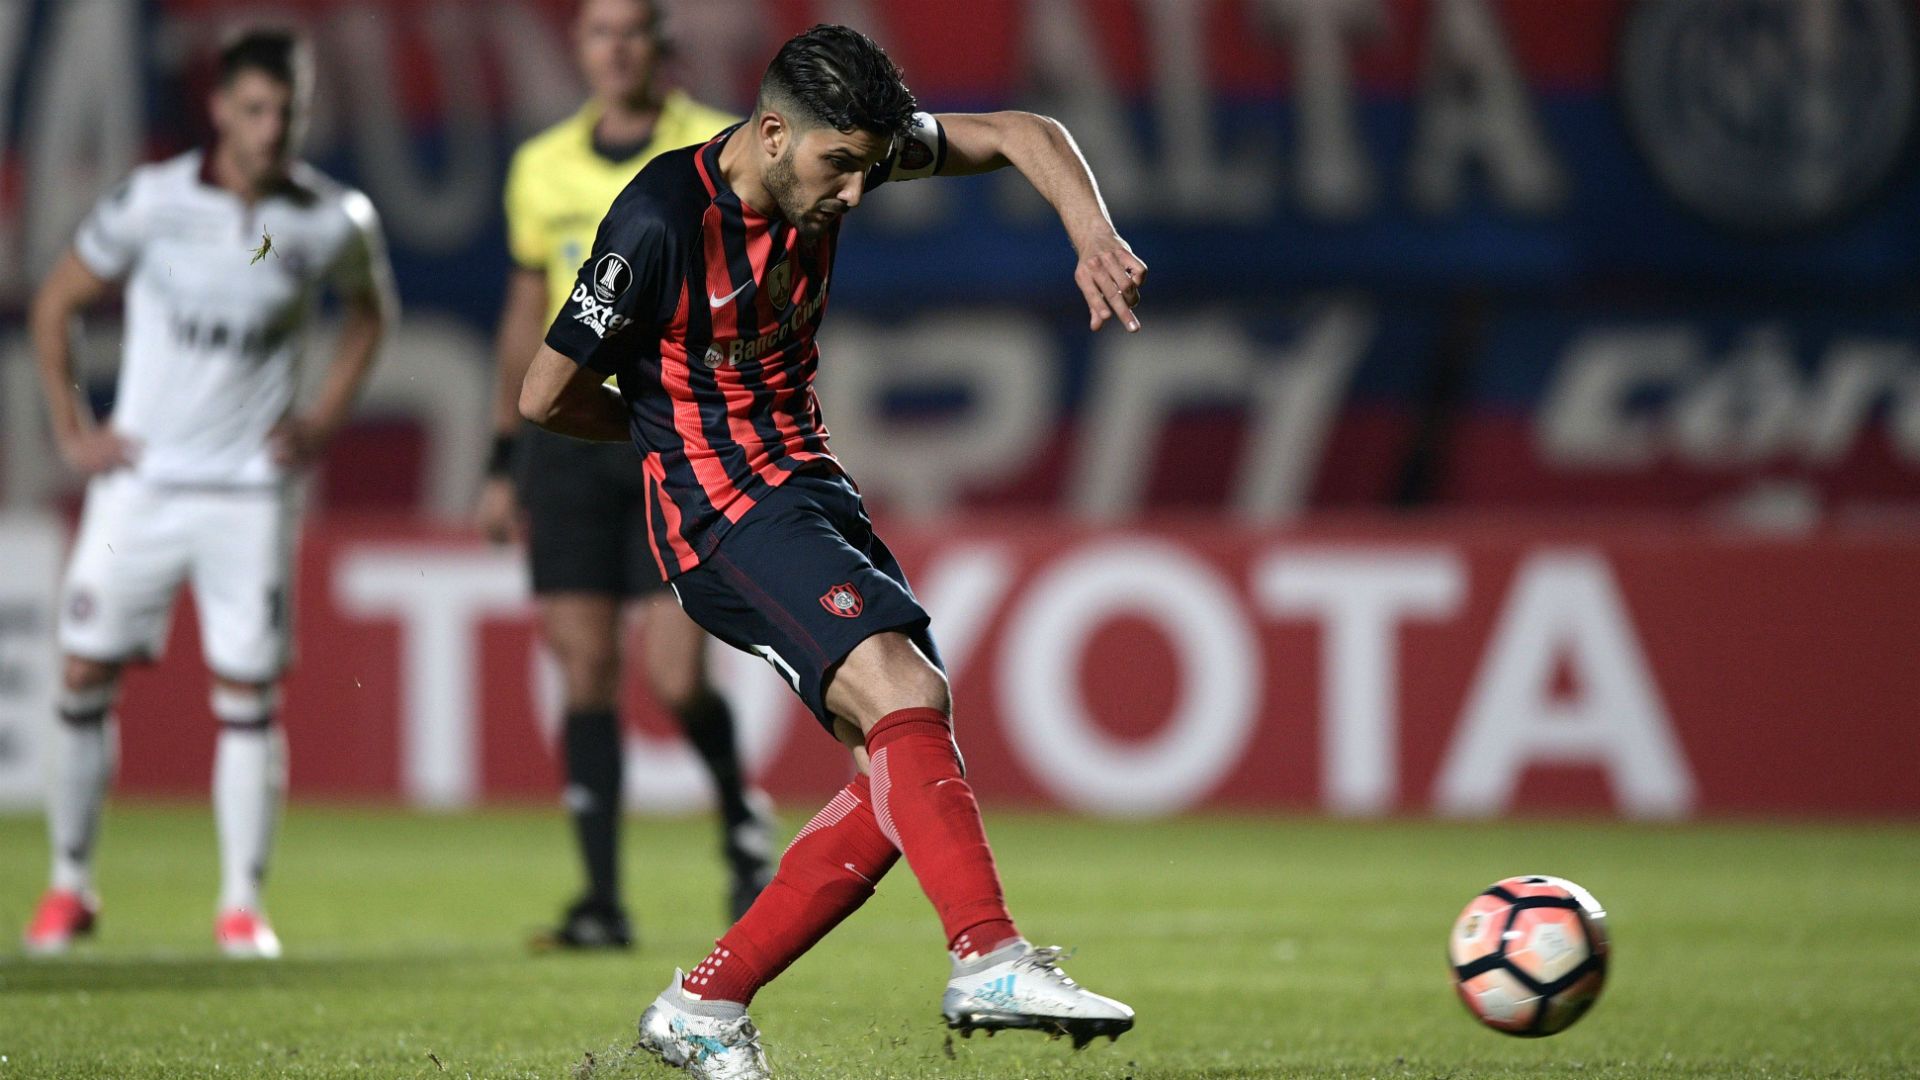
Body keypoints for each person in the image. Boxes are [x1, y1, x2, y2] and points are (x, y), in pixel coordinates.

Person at [519, 23, 1145, 1077]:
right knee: (904, 685)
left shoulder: (845, 151)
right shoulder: (659, 222)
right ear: (771, 134)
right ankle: (987, 954)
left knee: (900, 766)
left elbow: (1024, 130)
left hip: (807, 484)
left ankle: (703, 1007)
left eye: (867, 166)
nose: (856, 193)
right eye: (839, 167)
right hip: (722, 510)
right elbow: (544, 395)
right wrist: (672, 430)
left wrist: (1091, 232)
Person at [23, 28, 395, 959]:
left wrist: (319, 421)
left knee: (247, 691)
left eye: (289, 112)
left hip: (248, 494)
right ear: (221, 108)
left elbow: (370, 316)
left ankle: (240, 908)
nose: (272, 130)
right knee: (80, 675)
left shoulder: (330, 217)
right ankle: (69, 889)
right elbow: (56, 302)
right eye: (256, 109)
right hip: (141, 484)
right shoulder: (151, 203)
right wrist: (72, 429)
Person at [476, 0, 774, 949]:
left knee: (675, 671)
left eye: (632, 32)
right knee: (586, 667)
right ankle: (602, 902)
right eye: (599, 32)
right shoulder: (540, 165)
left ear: (662, 47)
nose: (616, 49)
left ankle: (739, 821)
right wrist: (500, 455)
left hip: (672, 422)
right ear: (580, 48)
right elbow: (528, 316)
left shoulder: (716, 146)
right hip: (570, 434)